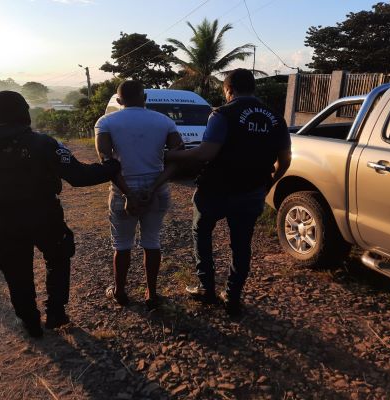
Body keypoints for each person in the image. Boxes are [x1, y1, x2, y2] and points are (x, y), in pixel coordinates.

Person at [0, 91, 120, 338]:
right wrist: (112, 166)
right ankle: (55, 312)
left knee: (16, 270)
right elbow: (78, 175)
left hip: (4, 219)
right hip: (45, 215)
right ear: (24, 112)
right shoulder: (43, 143)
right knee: (58, 259)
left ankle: (30, 322)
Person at [166, 68, 292, 316]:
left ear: (229, 90)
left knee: (201, 233)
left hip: (216, 189)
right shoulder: (276, 118)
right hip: (252, 190)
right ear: (253, 88)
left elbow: (205, 153)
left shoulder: (222, 114)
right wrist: (270, 182)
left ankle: (206, 288)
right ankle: (233, 296)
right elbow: (285, 160)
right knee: (241, 244)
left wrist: (171, 155)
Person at [95, 80, 184, 309]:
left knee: (122, 245)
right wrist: (153, 188)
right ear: (145, 99)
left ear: (119, 101)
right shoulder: (164, 121)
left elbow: (108, 163)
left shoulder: (106, 122)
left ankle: (120, 293)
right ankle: (151, 294)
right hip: (157, 189)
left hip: (122, 189)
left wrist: (129, 194)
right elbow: (177, 160)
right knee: (152, 241)